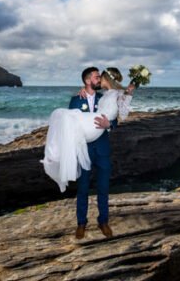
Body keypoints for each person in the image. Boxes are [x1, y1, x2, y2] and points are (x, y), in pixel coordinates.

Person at [41, 66, 135, 240]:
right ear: (87, 80)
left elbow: (115, 119)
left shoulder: (104, 96)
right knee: (83, 187)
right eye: (96, 77)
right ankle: (81, 223)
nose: (99, 79)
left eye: (100, 77)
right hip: (82, 149)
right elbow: (67, 125)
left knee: (103, 187)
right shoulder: (76, 100)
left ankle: (103, 221)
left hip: (102, 148)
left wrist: (110, 126)